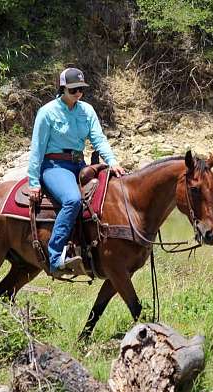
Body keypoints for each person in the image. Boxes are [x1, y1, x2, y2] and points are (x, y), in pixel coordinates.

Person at [27, 67, 125, 277]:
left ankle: (90, 251)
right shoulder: (47, 112)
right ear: (62, 89)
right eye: (73, 90)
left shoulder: (87, 110)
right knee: (72, 200)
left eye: (81, 89)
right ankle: (55, 258)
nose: (78, 93)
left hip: (80, 165)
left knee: (106, 195)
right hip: (55, 166)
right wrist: (33, 181)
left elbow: (99, 139)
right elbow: (37, 148)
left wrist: (113, 162)